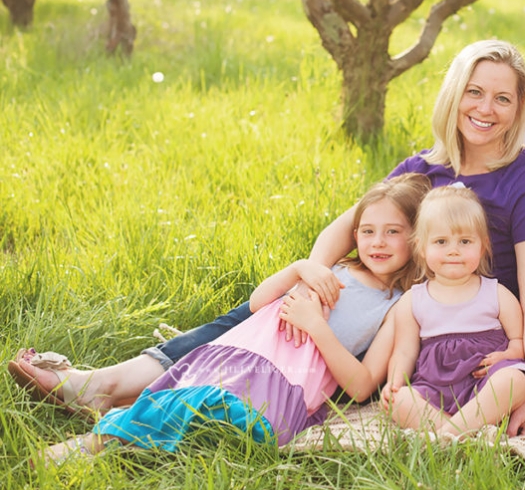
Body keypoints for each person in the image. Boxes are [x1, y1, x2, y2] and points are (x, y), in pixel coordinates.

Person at [11, 40, 525, 437]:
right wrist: (315, 271)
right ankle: (109, 385)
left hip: (438, 324)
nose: (486, 109)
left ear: (520, 108)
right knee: (267, 313)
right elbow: (350, 225)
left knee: (309, 341)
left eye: (503, 98)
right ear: (455, 95)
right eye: (475, 92)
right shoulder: (425, 166)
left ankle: (152, 401)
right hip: (385, 291)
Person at [34, 174, 431, 464]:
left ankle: (97, 441)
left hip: (281, 384)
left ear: (416, 238)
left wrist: (315, 326)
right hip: (234, 356)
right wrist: (299, 268)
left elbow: (361, 387)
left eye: (392, 232)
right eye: (367, 231)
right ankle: (108, 433)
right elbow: (260, 303)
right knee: (180, 401)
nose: (376, 242)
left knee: (207, 407)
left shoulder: (399, 304)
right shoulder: (333, 270)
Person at [383, 186, 525, 438]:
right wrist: (394, 381)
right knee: (399, 400)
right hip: (434, 388)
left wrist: (507, 354)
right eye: (441, 242)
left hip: (483, 386)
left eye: (464, 242)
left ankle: (446, 436)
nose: (454, 250)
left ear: (483, 246)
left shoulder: (497, 293)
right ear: (421, 247)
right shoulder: (413, 300)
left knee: (515, 380)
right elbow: (404, 350)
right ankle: (459, 433)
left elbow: (519, 342)